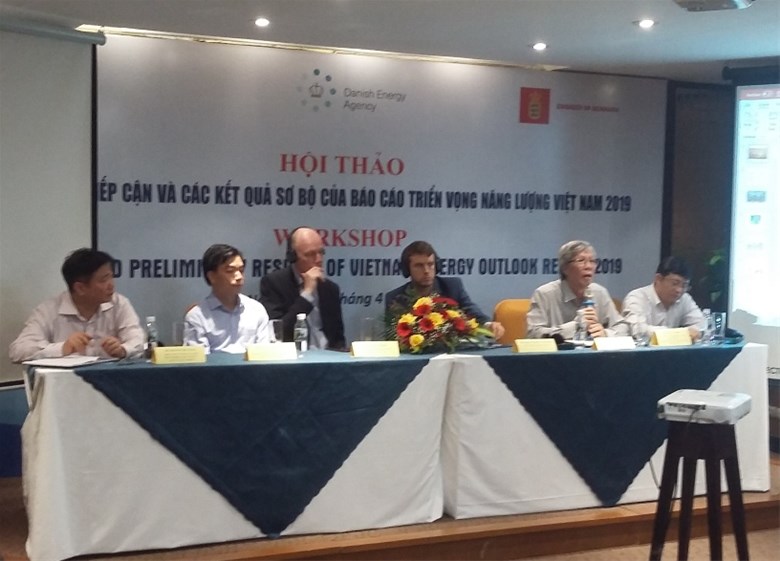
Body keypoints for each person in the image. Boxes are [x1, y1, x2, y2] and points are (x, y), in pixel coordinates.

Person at [9, 248, 144, 362]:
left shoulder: (119, 304)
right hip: (65, 383)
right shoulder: (49, 310)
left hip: (110, 381)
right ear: (80, 288)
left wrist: (123, 350)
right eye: (103, 280)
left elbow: (138, 340)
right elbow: (18, 350)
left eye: (111, 277)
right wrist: (63, 348)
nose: (111, 285)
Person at [385, 241, 505, 339]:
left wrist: (488, 325)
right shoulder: (395, 298)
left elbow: (471, 311)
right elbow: (392, 337)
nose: (426, 271)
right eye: (419, 266)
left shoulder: (452, 286)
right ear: (407, 269)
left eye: (430, 264)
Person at [259, 227, 346, 350]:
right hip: (294, 356)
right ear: (292, 257)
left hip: (328, 356)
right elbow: (277, 332)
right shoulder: (274, 283)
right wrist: (307, 294)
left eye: (321, 252)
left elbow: (338, 338)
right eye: (310, 254)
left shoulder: (330, 289)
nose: (319, 259)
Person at [526, 240, 626, 339]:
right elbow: (533, 334)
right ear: (565, 268)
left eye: (592, 261)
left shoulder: (600, 292)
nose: (588, 266)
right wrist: (575, 326)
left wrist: (605, 333)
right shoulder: (544, 294)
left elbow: (623, 327)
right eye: (581, 261)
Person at [184, 244, 270, 353]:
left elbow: (264, 354)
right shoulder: (197, 316)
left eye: (241, 270)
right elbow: (200, 360)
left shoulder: (256, 309)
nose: (239, 277)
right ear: (212, 276)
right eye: (230, 271)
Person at [622, 256, 704, 341]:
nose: (679, 290)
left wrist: (695, 330)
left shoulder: (684, 299)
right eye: (675, 283)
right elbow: (638, 330)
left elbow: (701, 324)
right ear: (658, 279)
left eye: (684, 285)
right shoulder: (637, 297)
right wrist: (677, 334)